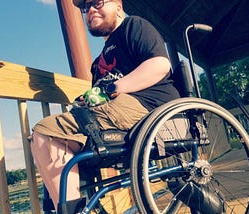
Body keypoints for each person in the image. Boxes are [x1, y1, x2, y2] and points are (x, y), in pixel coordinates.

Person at [30, 0, 180, 212]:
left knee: (47, 132)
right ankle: (76, 208)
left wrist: (110, 89)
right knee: (46, 141)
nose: (90, 10)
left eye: (97, 2)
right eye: (85, 7)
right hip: (117, 115)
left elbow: (159, 65)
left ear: (118, 5)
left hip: (150, 106)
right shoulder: (97, 63)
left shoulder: (134, 26)